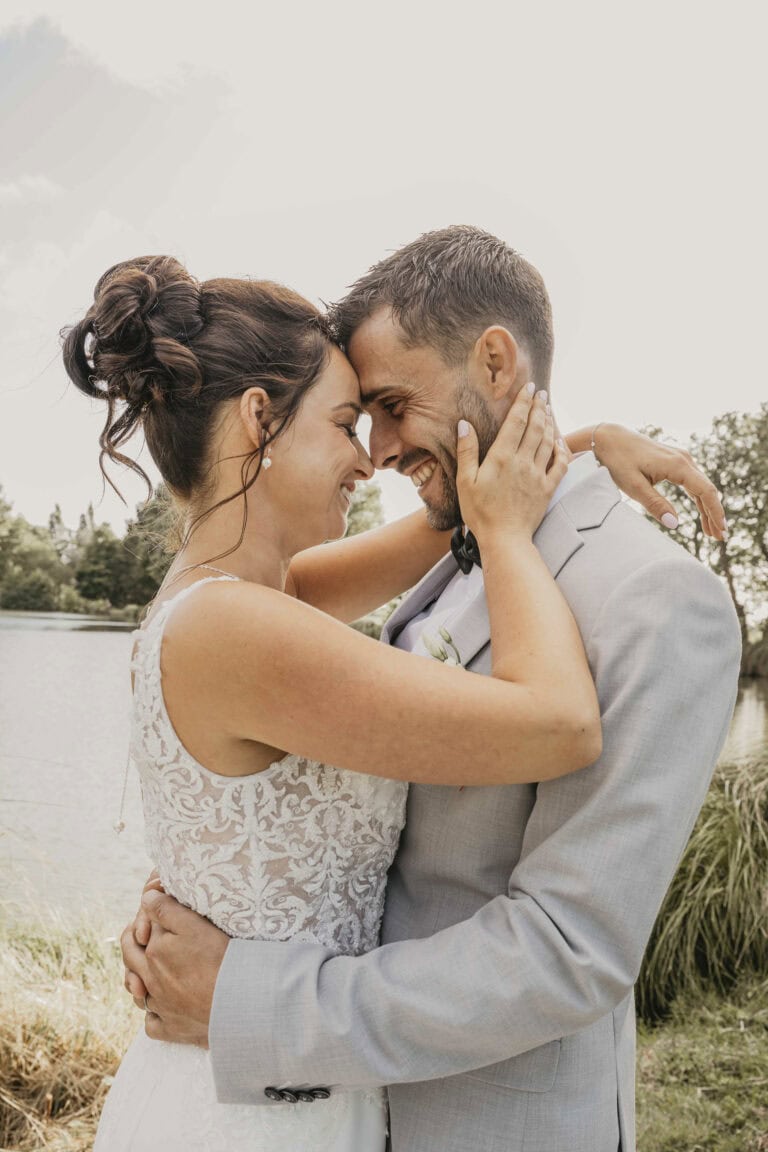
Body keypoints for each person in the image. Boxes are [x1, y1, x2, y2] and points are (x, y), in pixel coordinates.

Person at [120, 229, 742, 1152]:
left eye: (390, 406)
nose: (372, 452)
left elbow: (570, 951)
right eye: (349, 419)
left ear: (495, 360)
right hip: (273, 1107)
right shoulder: (262, 609)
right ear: (257, 420)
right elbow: (546, 726)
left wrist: (580, 444)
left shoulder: (649, 597)